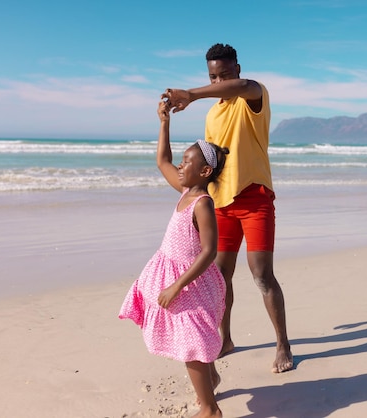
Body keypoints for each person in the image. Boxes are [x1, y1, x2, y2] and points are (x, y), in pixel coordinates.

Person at [161, 43, 293, 373]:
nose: (218, 82)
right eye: (212, 76)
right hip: (221, 202)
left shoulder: (253, 96)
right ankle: (225, 339)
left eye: (223, 75)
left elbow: (240, 87)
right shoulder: (213, 114)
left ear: (236, 69)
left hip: (254, 197)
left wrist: (191, 93)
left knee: (262, 275)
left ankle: (283, 344)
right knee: (220, 277)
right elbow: (210, 164)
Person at [119, 100, 229, 418]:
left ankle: (210, 410)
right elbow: (162, 160)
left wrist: (176, 286)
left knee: (192, 343)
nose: (180, 166)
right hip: (176, 278)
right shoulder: (185, 191)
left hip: (191, 284)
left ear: (205, 171)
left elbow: (209, 251)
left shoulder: (202, 203)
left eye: (187, 162)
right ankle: (212, 378)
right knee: (192, 341)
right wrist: (164, 122)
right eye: (182, 161)